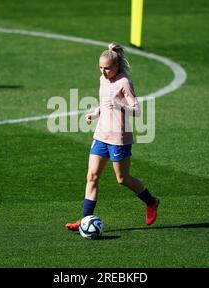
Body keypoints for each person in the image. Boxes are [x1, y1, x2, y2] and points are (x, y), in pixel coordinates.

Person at [65, 43, 160, 231]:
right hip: (101, 134)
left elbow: (137, 110)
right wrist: (95, 113)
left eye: (107, 68)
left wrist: (120, 106)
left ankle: (151, 202)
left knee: (122, 179)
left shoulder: (124, 82)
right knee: (91, 176)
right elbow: (105, 102)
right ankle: (84, 220)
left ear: (116, 67)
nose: (103, 71)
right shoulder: (103, 80)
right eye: (100, 67)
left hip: (118, 137)